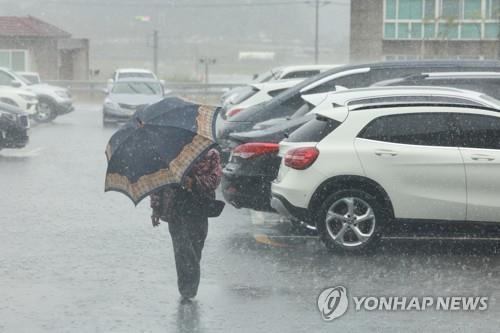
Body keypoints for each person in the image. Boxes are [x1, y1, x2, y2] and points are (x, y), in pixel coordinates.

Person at [150, 148, 222, 303]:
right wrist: (156, 209)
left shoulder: (210, 154)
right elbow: (158, 181)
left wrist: (194, 182)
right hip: (176, 209)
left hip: (200, 208)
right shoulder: (167, 153)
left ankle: (190, 281)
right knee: (182, 249)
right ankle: (187, 288)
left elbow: (215, 180)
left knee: (195, 251)